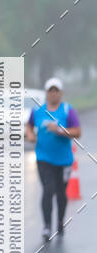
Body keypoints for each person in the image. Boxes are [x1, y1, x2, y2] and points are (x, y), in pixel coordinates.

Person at [25, 77, 81, 242]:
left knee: (60, 193)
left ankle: (60, 222)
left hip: (63, 160)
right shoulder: (38, 111)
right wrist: (30, 136)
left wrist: (59, 130)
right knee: (47, 190)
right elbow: (29, 126)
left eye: (56, 90)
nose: (53, 94)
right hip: (43, 158)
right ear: (46, 93)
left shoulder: (67, 110)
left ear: (61, 93)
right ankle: (47, 226)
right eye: (51, 90)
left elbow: (77, 132)